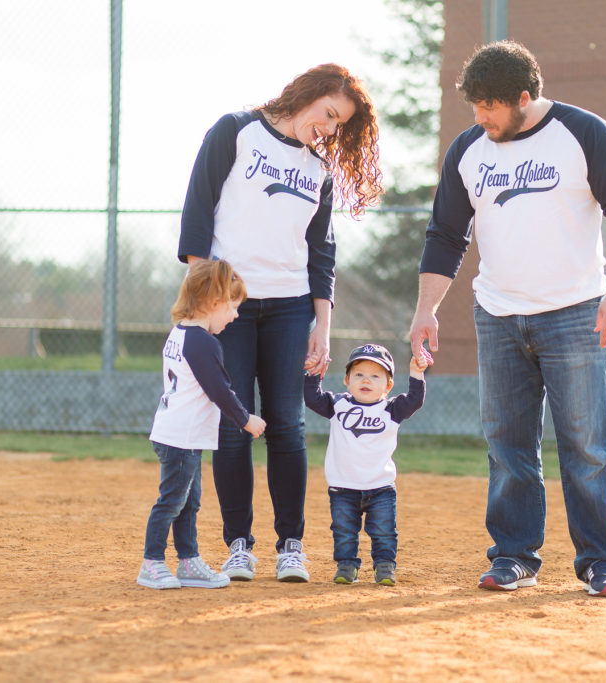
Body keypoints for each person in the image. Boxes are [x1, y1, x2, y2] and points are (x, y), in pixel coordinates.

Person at [409, 41, 606, 598]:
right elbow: (446, 235)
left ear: (524, 97)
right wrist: (427, 309)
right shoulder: (470, 149)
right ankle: (513, 556)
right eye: (474, 107)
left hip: (577, 314)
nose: (480, 118)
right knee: (507, 445)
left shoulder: (583, 133)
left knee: (587, 444)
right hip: (497, 315)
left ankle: (600, 563)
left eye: (490, 107)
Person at [177, 64, 383, 582]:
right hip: (232, 307)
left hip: (291, 307)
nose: (330, 130)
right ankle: (238, 546)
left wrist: (323, 324)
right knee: (233, 424)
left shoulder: (318, 169)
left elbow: (322, 255)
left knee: (287, 426)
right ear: (308, 95)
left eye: (340, 126)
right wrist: (205, 302)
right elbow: (198, 210)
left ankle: (291, 544)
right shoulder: (236, 131)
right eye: (329, 115)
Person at [138, 260, 267, 590]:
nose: (235, 315)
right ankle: (151, 563)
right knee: (172, 501)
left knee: (188, 501)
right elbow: (220, 392)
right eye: (233, 307)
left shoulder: (180, 333)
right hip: (181, 437)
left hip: (178, 433)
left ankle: (188, 561)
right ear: (214, 301)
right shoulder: (203, 342)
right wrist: (246, 419)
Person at [303, 344, 429, 586]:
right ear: (347, 380)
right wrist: (313, 373)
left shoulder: (391, 409)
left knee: (383, 532)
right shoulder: (338, 405)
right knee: (343, 532)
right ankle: (346, 566)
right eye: (359, 374)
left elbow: (415, 400)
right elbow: (312, 398)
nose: (366, 380)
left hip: (380, 487)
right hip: (342, 488)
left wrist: (416, 373)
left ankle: (384, 567)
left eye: (375, 376)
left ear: (388, 385)